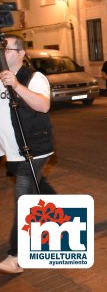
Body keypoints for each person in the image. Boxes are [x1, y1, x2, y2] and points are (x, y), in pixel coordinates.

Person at [0, 34, 55, 274]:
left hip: (33, 150)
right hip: (10, 151)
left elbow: (43, 105)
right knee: (37, 185)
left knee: (24, 198)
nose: (2, 53)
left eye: (7, 49)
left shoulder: (34, 77)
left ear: (21, 53)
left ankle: (17, 256)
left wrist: (17, 85)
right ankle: (58, 212)